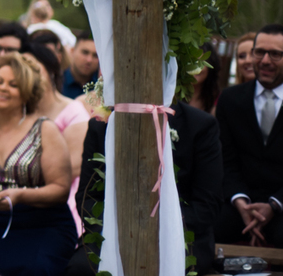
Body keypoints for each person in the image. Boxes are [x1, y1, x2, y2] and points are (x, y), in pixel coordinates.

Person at [68, 99, 222, 276]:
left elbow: (208, 203)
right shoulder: (102, 124)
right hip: (112, 235)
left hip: (179, 236)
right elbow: (87, 198)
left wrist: (155, 230)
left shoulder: (199, 124)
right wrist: (119, 230)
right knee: (81, 269)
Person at [0, 53, 75, 276]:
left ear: (27, 93)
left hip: (44, 226)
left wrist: (20, 195)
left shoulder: (44, 129)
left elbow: (61, 189)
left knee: (35, 269)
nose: (2, 88)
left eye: (13, 84)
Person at [214, 23, 283, 247]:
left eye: (275, 54)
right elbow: (226, 160)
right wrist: (240, 201)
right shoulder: (230, 100)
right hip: (240, 202)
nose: (265, 61)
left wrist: (274, 205)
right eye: (259, 52)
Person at [24, 44, 89, 235]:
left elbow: (73, 168)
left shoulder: (73, 112)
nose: (28, 75)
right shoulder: (19, 112)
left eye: (34, 68)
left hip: (64, 198)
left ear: (51, 71)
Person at [61, 32, 99, 99]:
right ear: (72, 51)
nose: (89, 60)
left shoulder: (102, 87)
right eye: (85, 52)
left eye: (95, 55)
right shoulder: (57, 83)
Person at [188, 40, 222, 115]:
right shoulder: (169, 96)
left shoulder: (220, 100)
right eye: (190, 62)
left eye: (200, 62)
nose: (194, 68)